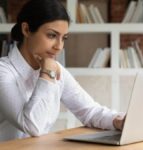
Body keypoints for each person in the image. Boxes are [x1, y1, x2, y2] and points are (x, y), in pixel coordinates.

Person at [0, 0, 125, 142]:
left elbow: (89, 111)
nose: (59, 46)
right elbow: (33, 126)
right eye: (52, 35)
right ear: (26, 30)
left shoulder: (56, 69)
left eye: (64, 38)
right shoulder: (3, 72)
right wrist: (47, 73)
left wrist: (119, 120)